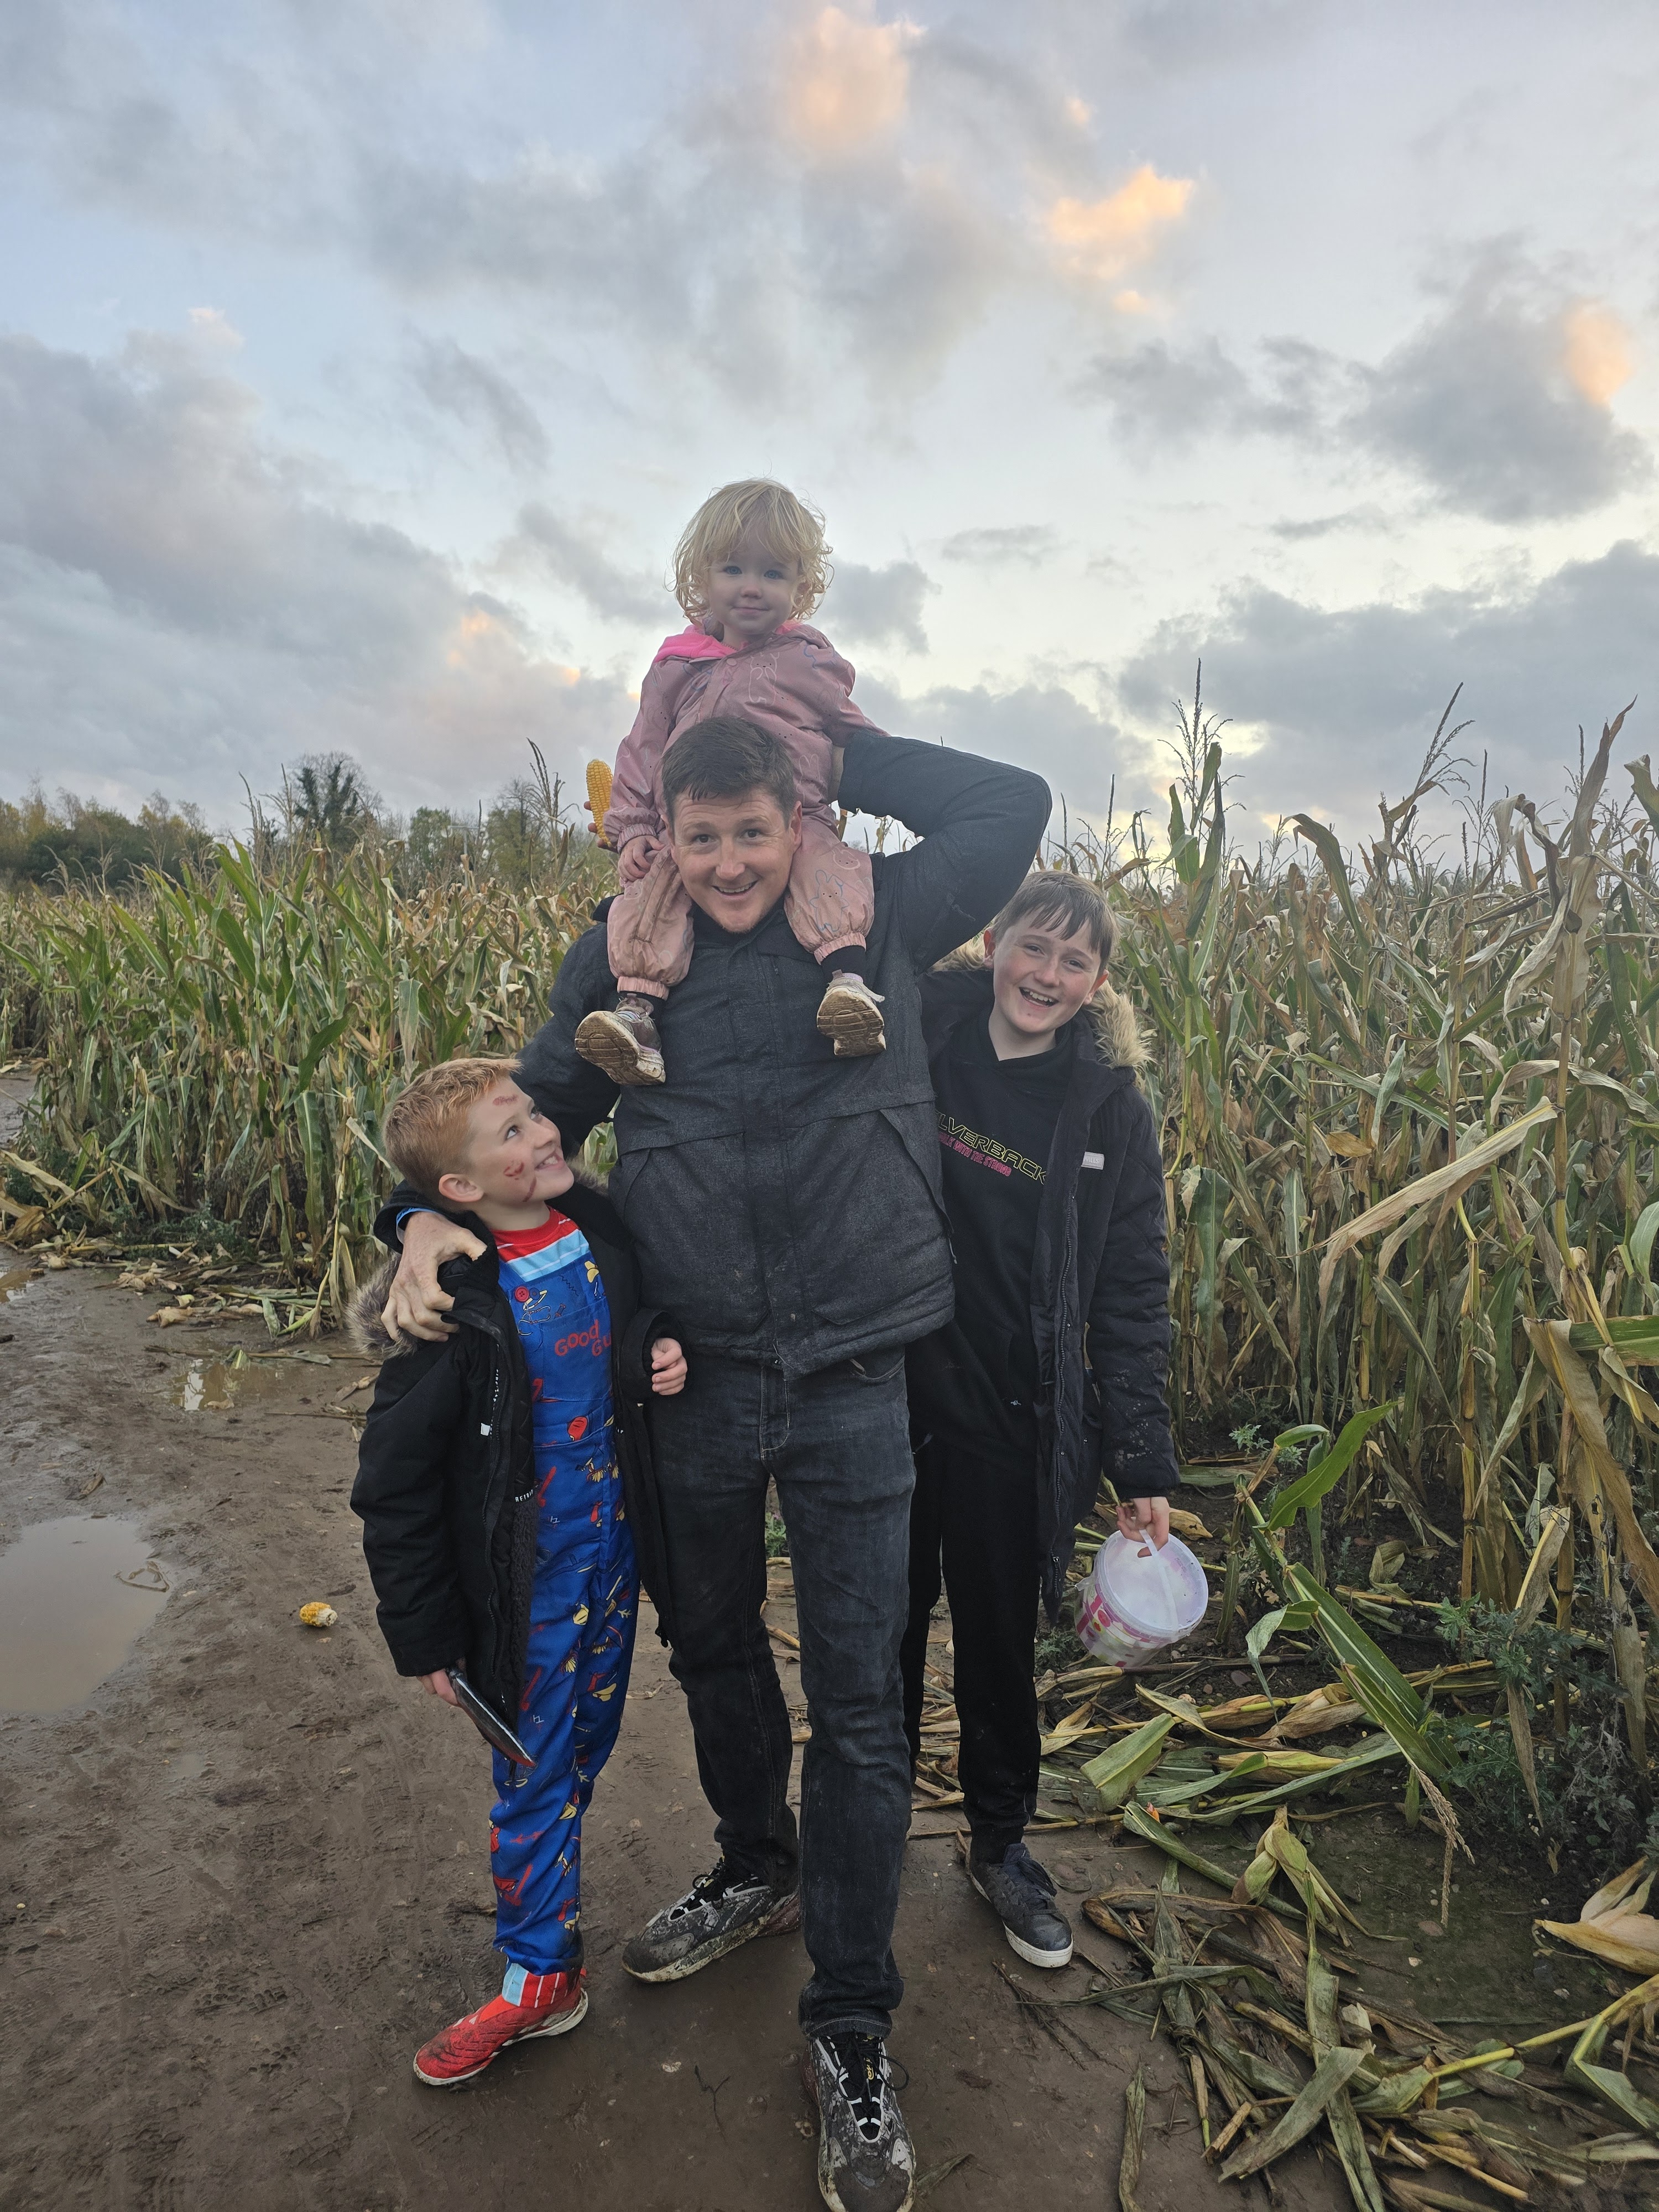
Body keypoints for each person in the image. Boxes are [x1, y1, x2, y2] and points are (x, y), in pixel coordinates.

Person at [378, 715, 1050, 2212]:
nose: (734, 864)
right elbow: (525, 1127)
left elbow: (1016, 796)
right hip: (689, 1370)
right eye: (703, 836)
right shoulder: (630, 947)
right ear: (661, 836)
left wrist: (832, 754)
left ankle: (852, 2022)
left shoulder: (879, 907)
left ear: (792, 816)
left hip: (859, 1365)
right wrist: (417, 1220)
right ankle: (758, 1860)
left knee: (866, 1702)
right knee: (712, 1645)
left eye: (758, 830)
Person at [348, 1057, 687, 2089]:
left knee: (581, 1748)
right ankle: (539, 1973)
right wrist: (426, 1635)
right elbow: (393, 1487)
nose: (543, 1132)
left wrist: (656, 1346)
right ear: (455, 1193)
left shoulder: (597, 1228)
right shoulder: (454, 1300)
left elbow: (640, 1308)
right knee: (530, 1778)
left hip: (614, 1558)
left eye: (535, 1113)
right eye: (511, 1131)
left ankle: (552, 1929)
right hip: (523, 1587)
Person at [899, 873, 1180, 1971]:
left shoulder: (1108, 1103)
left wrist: (1140, 1453)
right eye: (1034, 947)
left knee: (998, 1642)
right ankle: (866, 1824)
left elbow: (1131, 1281)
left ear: (1098, 982)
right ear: (992, 939)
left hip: (1014, 1419)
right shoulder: (916, 1027)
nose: (1047, 976)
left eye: (1074, 962)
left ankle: (1000, 1840)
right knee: (880, 1631)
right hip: (888, 1396)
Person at [575, 477, 890, 1088]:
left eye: (773, 574)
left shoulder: (807, 660)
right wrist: (635, 826)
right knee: (650, 898)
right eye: (733, 569)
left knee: (827, 871)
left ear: (802, 586)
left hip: (791, 823)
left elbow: (855, 729)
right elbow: (642, 750)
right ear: (702, 578)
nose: (752, 586)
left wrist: (883, 772)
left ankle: (848, 985)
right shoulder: (676, 667)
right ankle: (638, 1015)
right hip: (689, 830)